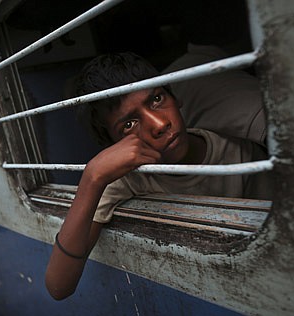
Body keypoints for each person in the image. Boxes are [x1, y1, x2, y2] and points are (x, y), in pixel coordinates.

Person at [44, 52, 272, 300]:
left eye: (157, 99)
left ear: (175, 97)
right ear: (114, 146)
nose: (159, 124)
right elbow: (59, 286)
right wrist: (92, 178)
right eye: (129, 124)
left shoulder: (238, 152)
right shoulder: (129, 178)